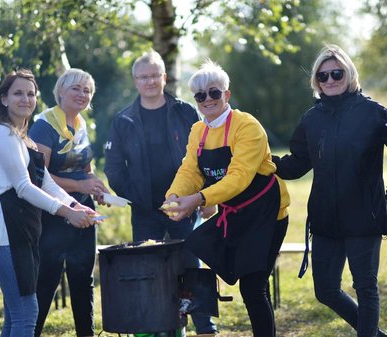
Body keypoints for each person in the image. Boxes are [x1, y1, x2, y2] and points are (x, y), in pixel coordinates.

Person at [163, 60, 290, 337]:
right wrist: (174, 196)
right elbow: (191, 169)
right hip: (235, 213)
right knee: (237, 275)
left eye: (214, 92)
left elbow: (239, 177)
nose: (207, 100)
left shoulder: (247, 127)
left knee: (253, 287)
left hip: (267, 214)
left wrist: (198, 199)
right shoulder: (199, 130)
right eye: (200, 95)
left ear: (226, 95)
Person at [272, 44, 387, 337]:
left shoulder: (374, 114)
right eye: (323, 76)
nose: (330, 80)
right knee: (325, 291)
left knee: (366, 288)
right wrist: (260, 161)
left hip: (365, 217)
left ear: (349, 74)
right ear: (316, 82)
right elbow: (296, 165)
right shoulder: (312, 119)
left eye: (337, 73)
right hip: (325, 221)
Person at [104, 50, 217, 335]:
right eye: (144, 77)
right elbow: (115, 169)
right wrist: (141, 199)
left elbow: (203, 157)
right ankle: (155, 327)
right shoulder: (123, 120)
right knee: (148, 272)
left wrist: (200, 197)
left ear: (164, 77)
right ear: (135, 81)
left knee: (192, 265)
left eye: (155, 75)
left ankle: (205, 326)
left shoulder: (185, 111)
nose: (150, 81)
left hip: (185, 206)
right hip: (145, 211)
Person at [0, 69, 97, 337]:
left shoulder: (22, 137)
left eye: (30, 94)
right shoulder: (3, 135)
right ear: (3, 99)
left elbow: (44, 181)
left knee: (17, 314)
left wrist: (75, 206)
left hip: (21, 230)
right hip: (4, 232)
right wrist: (66, 214)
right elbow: (24, 187)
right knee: (27, 313)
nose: (25, 99)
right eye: (17, 93)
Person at [29, 68, 109, 337]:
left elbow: (85, 168)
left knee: (83, 277)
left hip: (85, 209)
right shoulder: (44, 125)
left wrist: (96, 187)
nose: (82, 94)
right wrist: (80, 186)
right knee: (48, 278)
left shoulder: (82, 124)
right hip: (54, 211)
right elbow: (39, 177)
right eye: (76, 88)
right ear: (60, 91)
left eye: (87, 90)